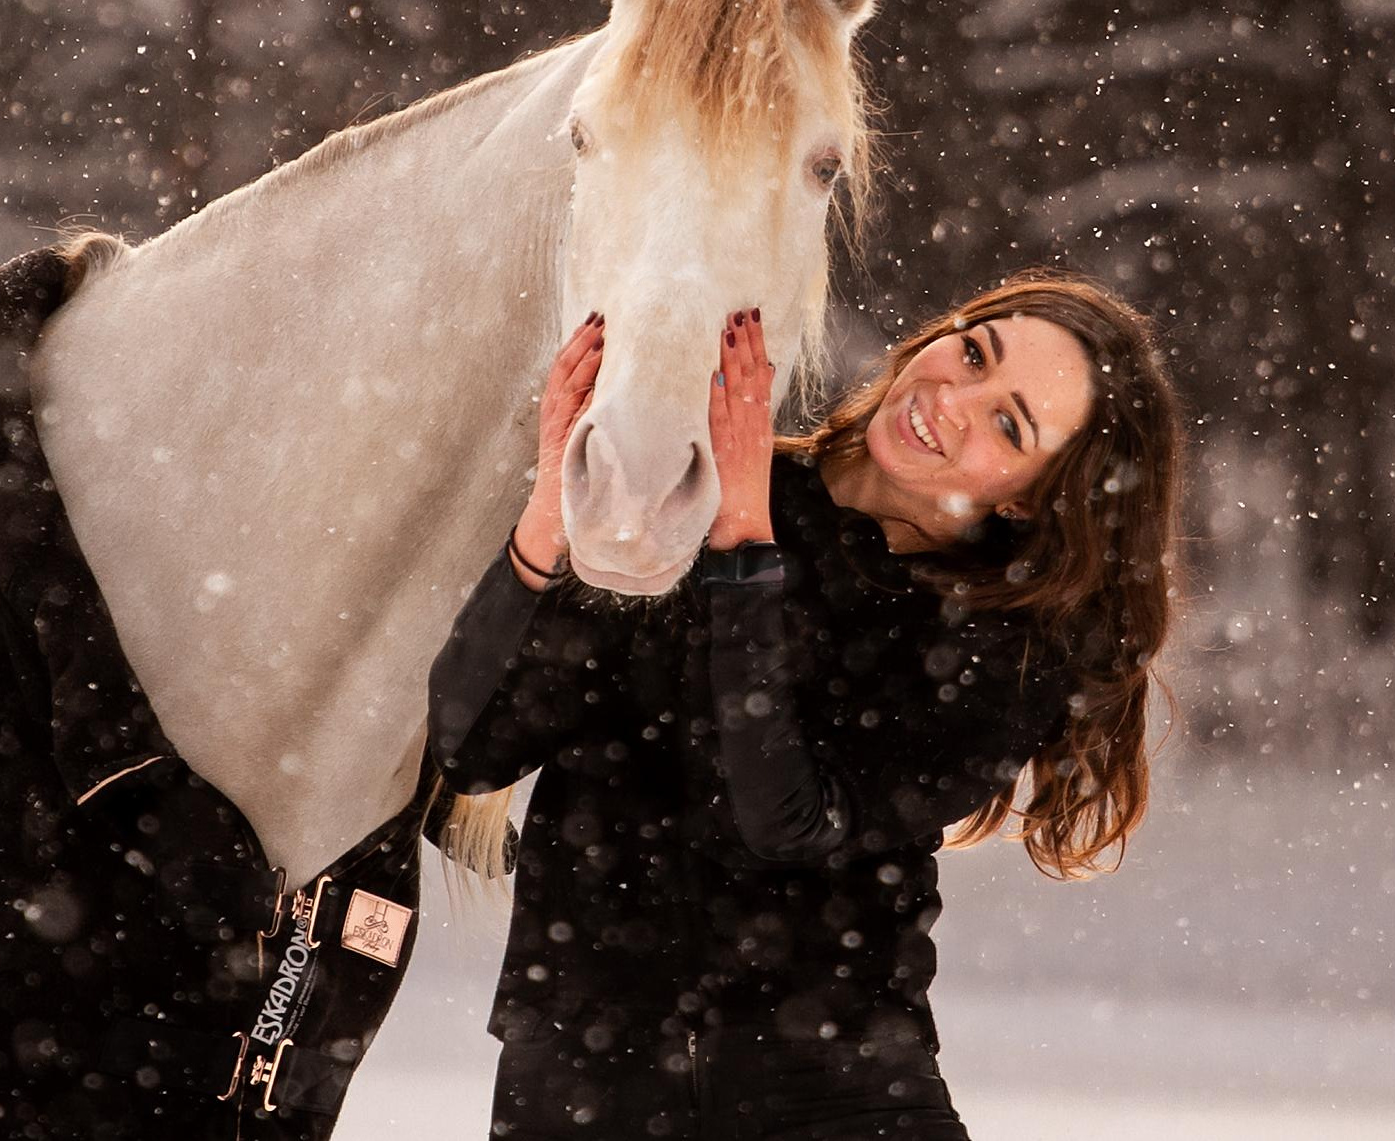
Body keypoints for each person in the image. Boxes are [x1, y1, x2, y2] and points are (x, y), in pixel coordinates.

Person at [429, 275, 1183, 1140]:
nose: (955, 400)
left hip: (825, 1091)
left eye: (1009, 424)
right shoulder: (689, 485)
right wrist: (549, 515)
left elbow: (779, 819)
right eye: (974, 352)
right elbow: (474, 746)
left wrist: (744, 541)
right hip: (581, 1079)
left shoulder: (1002, 648)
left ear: (1028, 496)